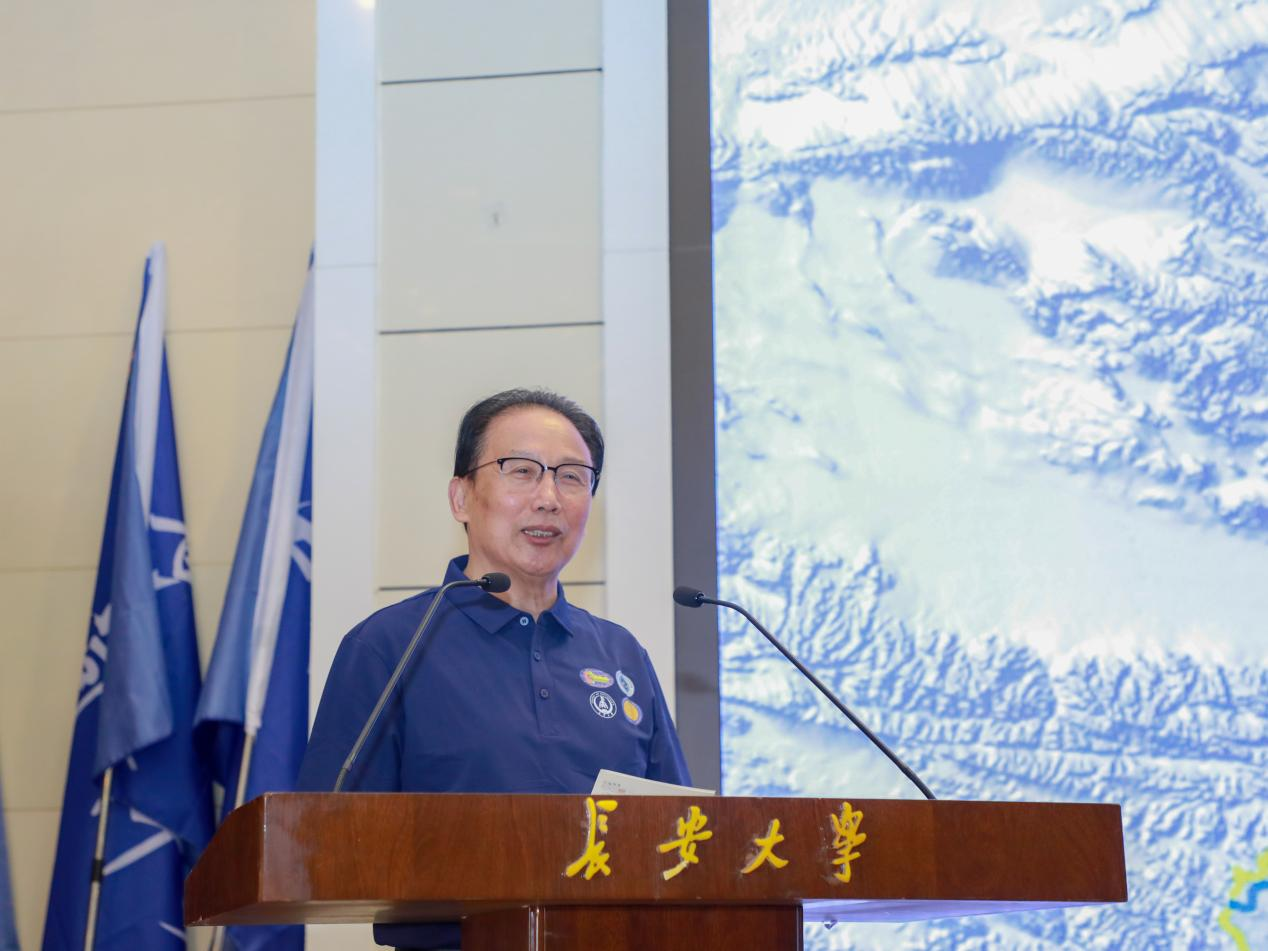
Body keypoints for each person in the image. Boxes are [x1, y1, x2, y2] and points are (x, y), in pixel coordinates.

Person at [297, 388, 691, 949]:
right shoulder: (391, 646)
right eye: (522, 471)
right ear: (461, 497)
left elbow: (682, 834)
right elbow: (328, 841)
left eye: (572, 477)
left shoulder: (620, 654)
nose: (549, 498)